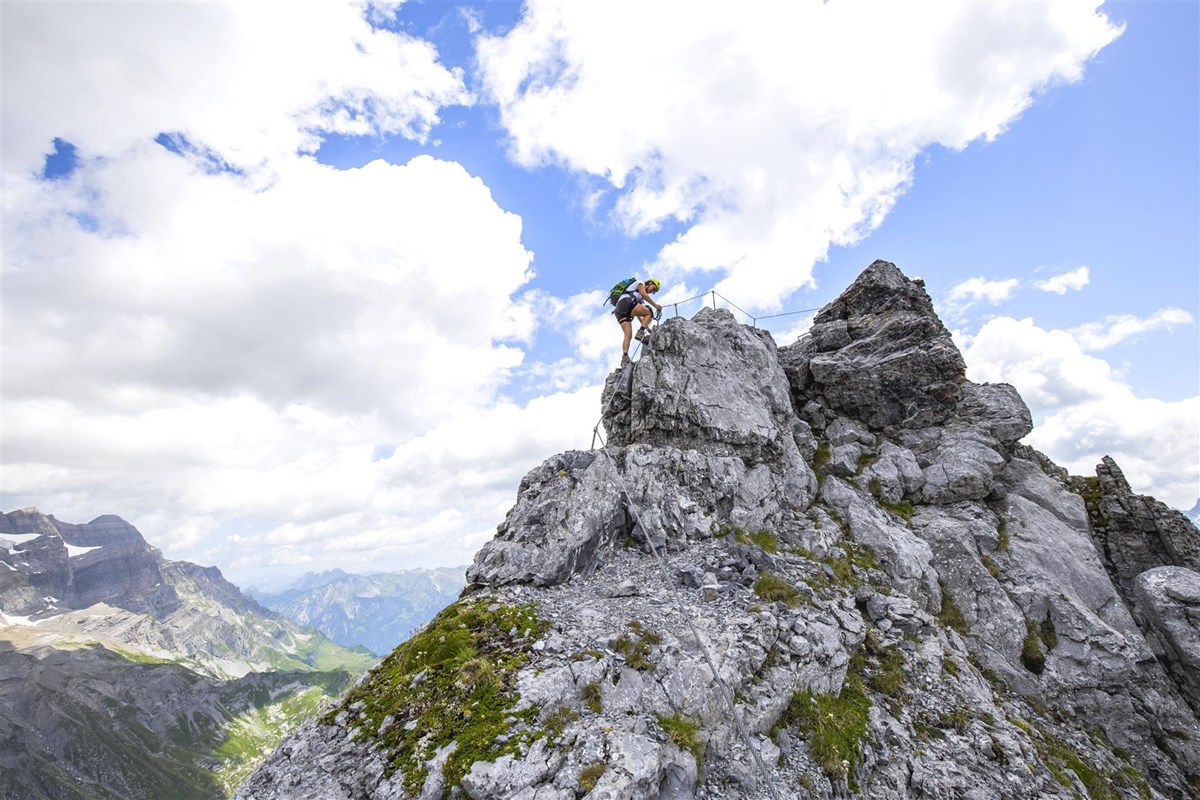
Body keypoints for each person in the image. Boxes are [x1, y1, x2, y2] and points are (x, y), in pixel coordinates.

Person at [614, 278, 663, 365]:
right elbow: (644, 294)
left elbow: (639, 315)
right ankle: (640, 332)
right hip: (627, 302)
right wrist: (655, 305)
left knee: (628, 335)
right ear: (650, 283)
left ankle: (625, 357)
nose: (653, 292)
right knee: (649, 312)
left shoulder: (639, 298)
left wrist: (647, 329)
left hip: (619, 310)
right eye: (654, 289)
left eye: (654, 292)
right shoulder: (640, 283)